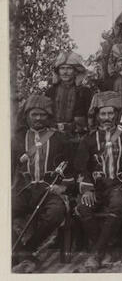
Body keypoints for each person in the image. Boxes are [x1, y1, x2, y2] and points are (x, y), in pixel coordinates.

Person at [74, 91, 122, 270]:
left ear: (116, 114)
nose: (107, 117)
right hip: (95, 186)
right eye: (103, 114)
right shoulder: (87, 139)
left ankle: (96, 253)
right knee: (82, 207)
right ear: (97, 116)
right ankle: (109, 246)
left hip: (119, 184)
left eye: (111, 113)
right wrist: (86, 189)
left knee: (117, 205)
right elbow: (80, 166)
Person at [11, 96, 74, 272]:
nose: (38, 118)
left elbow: (71, 167)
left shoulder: (60, 138)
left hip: (50, 189)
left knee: (56, 212)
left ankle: (27, 248)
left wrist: (63, 186)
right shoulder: (16, 139)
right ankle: (21, 251)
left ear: (49, 116)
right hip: (24, 188)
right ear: (27, 116)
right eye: (34, 114)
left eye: (42, 115)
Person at [45, 51, 92, 133]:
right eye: (62, 68)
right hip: (54, 135)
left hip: (77, 136)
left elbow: (90, 116)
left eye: (69, 68)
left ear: (76, 71)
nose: (65, 72)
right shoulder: (50, 91)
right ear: (58, 71)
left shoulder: (85, 92)